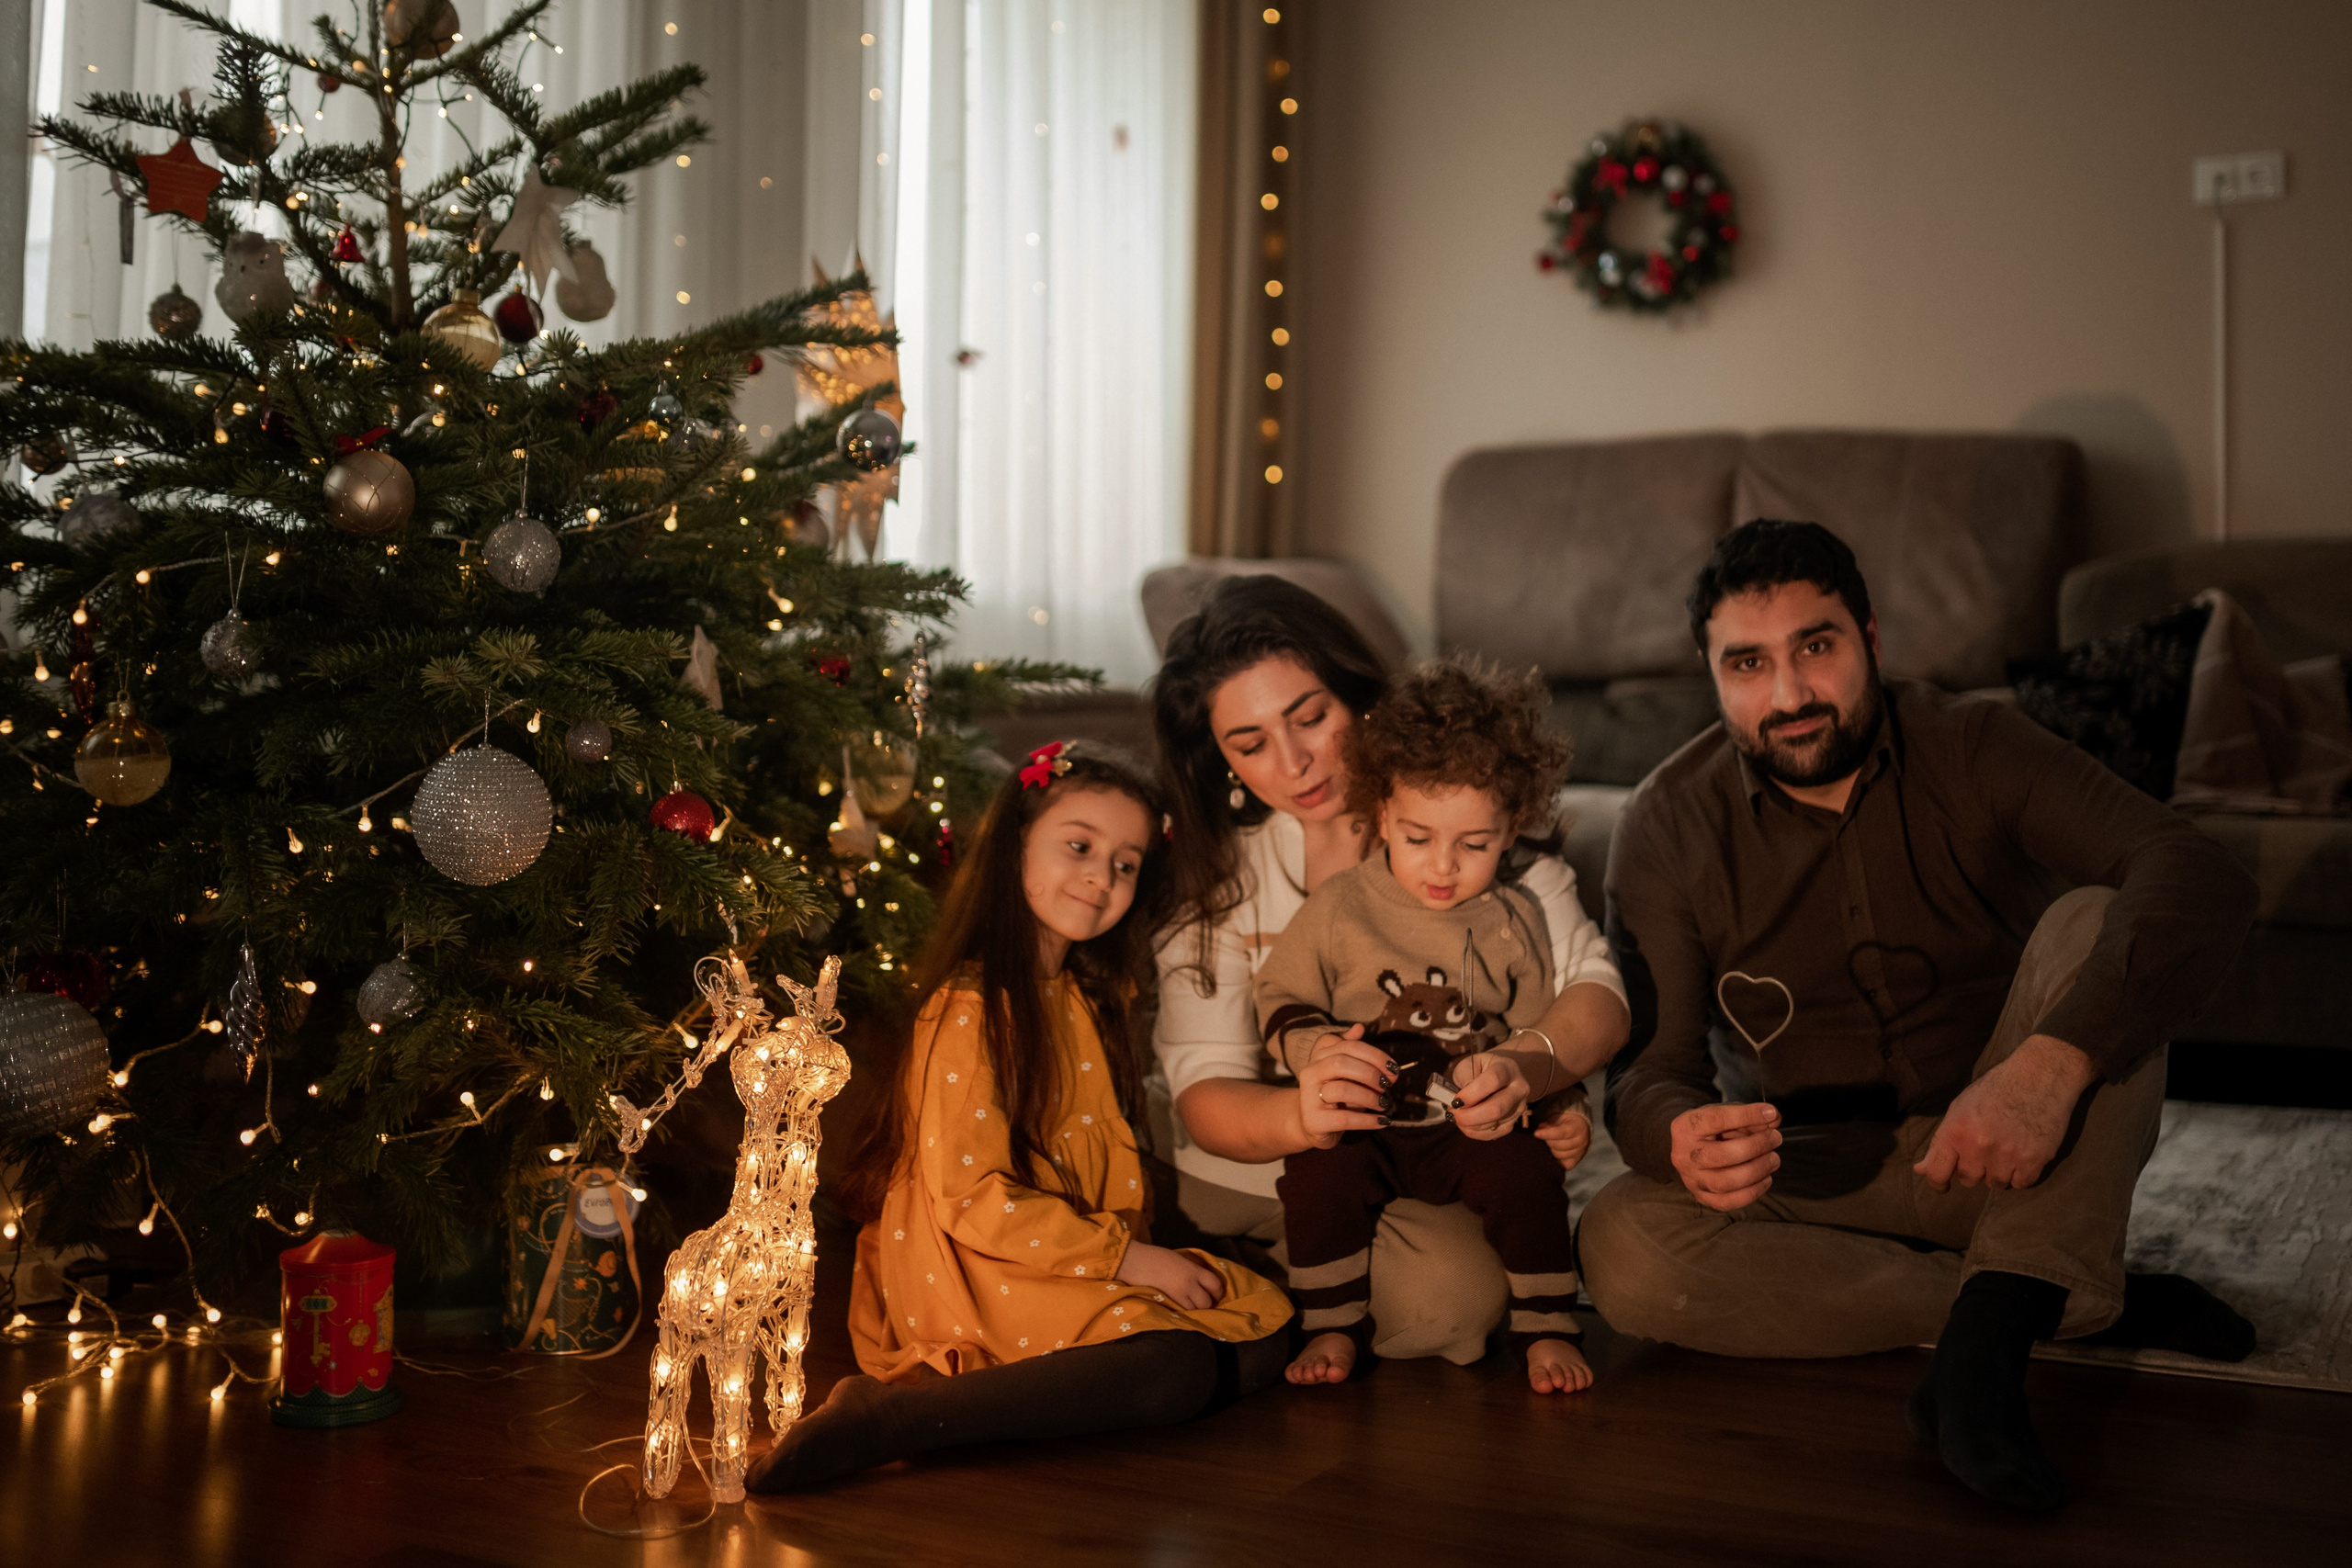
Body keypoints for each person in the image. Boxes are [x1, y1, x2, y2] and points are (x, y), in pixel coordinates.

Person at [1579, 520, 2261, 1513]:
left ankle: (1981, 1365)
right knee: (1620, 1248)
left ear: (1871, 641)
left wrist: (2045, 1068)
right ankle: (2039, 1301)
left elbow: (2195, 870)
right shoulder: (1661, 824)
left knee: (2099, 923)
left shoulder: (1974, 743)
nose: (1789, 696)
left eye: (1817, 647)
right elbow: (1648, 1071)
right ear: (1709, 675)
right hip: (1810, 1171)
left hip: (2011, 1152)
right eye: (1747, 664)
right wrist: (1676, 1135)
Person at [748, 741, 1293, 1493]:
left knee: (1265, 1326)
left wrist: (1138, 1256)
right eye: (1079, 846)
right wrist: (1129, 1262)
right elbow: (973, 1200)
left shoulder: (1081, 996)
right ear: (1014, 850)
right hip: (979, 1269)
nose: (1102, 876)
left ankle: (1061, 1382)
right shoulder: (970, 1009)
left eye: (1126, 862)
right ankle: (894, 1419)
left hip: (1069, 1253)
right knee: (1180, 1365)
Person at [1151, 576, 1629, 1366]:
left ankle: (1288, 1284)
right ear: (1223, 758)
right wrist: (1305, 1115)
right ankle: (1260, 1270)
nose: (1296, 760)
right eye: (1251, 743)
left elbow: (1597, 996)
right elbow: (1204, 1091)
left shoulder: (1479, 837)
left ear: (1361, 699)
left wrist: (1528, 1071)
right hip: (1262, 1155)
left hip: (1435, 1150)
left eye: (1311, 717)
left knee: (1461, 1306)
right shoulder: (1220, 880)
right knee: (1441, 1293)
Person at [1256, 657, 1593, 1393]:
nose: (1443, 865)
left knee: (1529, 1175)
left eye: (1474, 845)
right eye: (1417, 837)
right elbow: (1279, 992)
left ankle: (1548, 1326)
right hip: (1363, 1115)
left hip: (1466, 1123)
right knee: (1315, 1176)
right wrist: (1316, 1054)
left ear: (1511, 831)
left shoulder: (1515, 918)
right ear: (1381, 816)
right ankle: (1331, 1322)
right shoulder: (1341, 905)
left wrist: (1562, 1103)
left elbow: (1539, 1032)